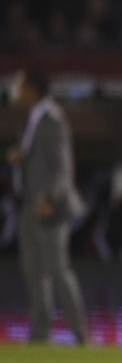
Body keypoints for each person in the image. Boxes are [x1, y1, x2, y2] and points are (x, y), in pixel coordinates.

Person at [6, 68, 88, 345]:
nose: (16, 91)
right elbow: (40, 161)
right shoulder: (32, 119)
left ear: (33, 88)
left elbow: (62, 165)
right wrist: (21, 159)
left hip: (48, 207)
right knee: (33, 272)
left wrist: (49, 197)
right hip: (29, 204)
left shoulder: (52, 118)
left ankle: (81, 334)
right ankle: (40, 334)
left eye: (20, 85)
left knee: (57, 270)